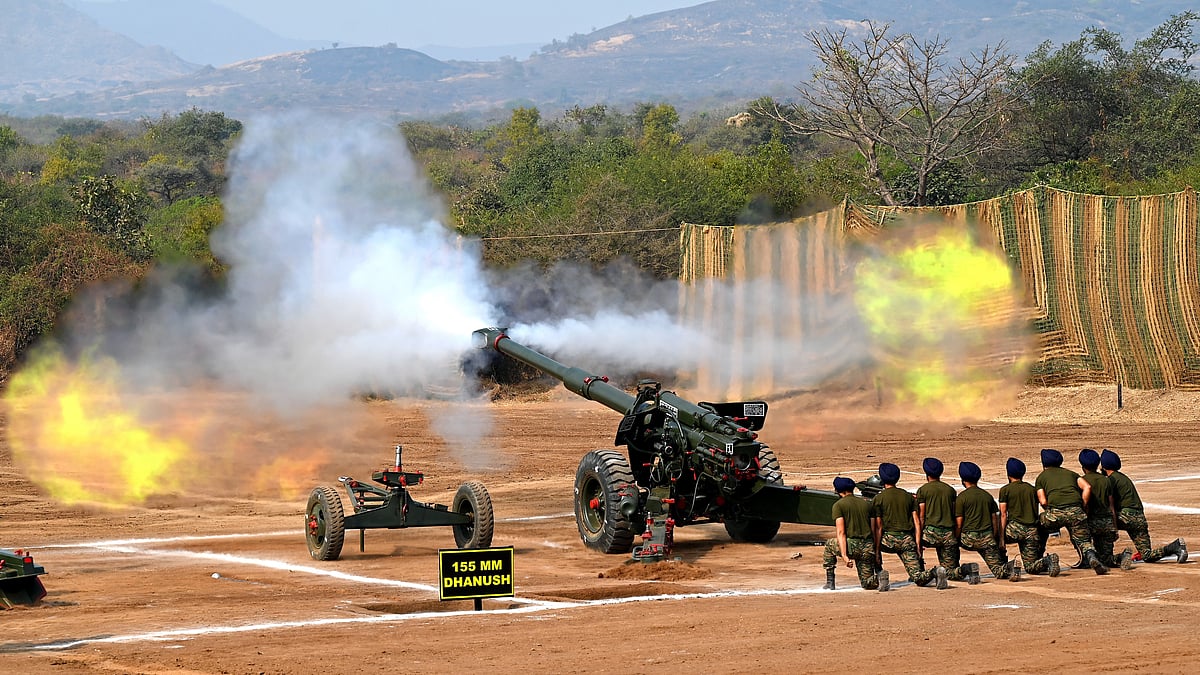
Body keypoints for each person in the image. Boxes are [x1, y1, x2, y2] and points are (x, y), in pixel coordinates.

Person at [1101, 449, 1187, 565]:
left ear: (1104, 466)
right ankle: (1175, 546)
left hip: (1126, 517)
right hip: (1139, 518)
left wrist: (1114, 528)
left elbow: (1110, 506)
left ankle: (1106, 557)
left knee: (1101, 523)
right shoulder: (1123, 478)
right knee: (1146, 555)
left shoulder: (1111, 480)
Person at [870, 462, 947, 590]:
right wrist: (917, 544)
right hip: (907, 541)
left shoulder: (878, 499)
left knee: (868, 546)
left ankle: (879, 573)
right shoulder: (908, 497)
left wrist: (877, 551)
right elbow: (917, 522)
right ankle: (935, 572)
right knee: (918, 577)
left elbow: (878, 527)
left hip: (887, 541)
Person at [1035, 448, 1108, 574]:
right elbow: (1087, 487)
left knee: (1039, 525)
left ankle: (1039, 558)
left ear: (1044, 464)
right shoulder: (1071, 474)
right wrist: (1083, 505)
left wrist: (1050, 511)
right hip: (1076, 511)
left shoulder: (1041, 477)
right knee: (1083, 539)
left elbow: (1043, 501)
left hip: (1055, 513)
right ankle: (1090, 556)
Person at [915, 457, 974, 582]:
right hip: (948, 535)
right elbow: (954, 513)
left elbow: (921, 517)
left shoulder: (923, 490)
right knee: (951, 572)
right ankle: (966, 570)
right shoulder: (950, 490)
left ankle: (922, 571)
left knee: (909, 541)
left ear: (927, 474)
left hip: (930, 534)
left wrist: (918, 541)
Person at [998, 457, 1059, 577]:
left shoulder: (1005, 490)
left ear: (1008, 473)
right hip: (1031, 531)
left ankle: (1004, 566)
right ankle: (1048, 560)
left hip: (1014, 529)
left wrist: (1001, 539)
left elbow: (1003, 514)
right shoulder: (1031, 489)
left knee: (990, 537)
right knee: (1031, 567)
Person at [955, 461, 1014, 582]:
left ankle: (966, 569)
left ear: (963, 479)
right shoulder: (987, 496)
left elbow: (959, 524)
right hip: (987, 538)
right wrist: (995, 537)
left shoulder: (961, 498)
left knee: (949, 544)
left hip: (968, 539)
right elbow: (995, 520)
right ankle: (1010, 567)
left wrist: (955, 539)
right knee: (998, 571)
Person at [821, 476, 882, 591]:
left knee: (829, 545)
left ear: (838, 491)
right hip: (867, 547)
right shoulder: (867, 504)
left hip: (851, 546)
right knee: (868, 584)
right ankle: (880, 576)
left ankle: (830, 581)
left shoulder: (839, 505)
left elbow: (841, 532)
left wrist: (844, 555)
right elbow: (874, 530)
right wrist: (875, 551)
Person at [1078, 448, 1130, 569]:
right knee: (1106, 559)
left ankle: (1089, 558)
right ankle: (1120, 557)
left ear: (1083, 466)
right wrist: (1115, 527)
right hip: (1107, 523)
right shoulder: (1106, 481)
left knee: (1081, 539)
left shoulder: (1082, 481)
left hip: (1090, 523)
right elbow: (1111, 506)